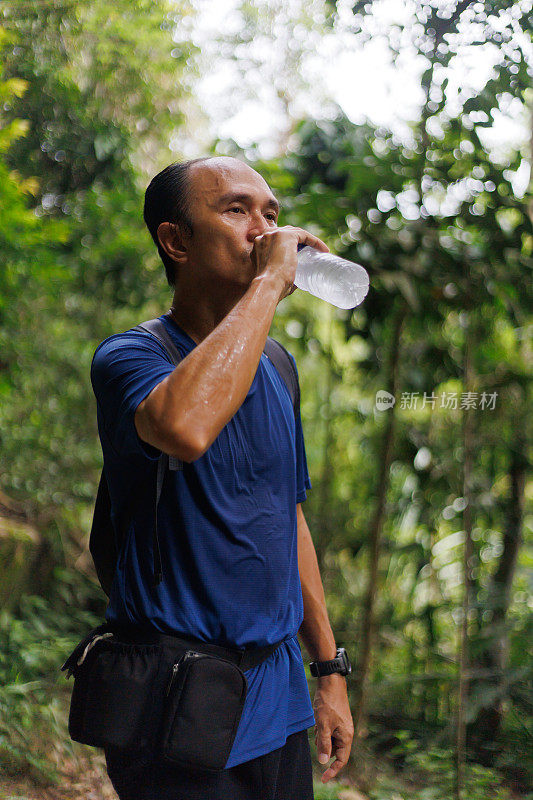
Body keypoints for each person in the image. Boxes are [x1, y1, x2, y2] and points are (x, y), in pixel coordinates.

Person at [90, 156, 354, 800]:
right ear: (175, 241)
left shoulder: (278, 368)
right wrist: (267, 286)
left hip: (280, 696)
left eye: (271, 214)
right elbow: (182, 426)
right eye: (237, 210)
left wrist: (329, 670)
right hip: (175, 697)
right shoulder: (131, 357)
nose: (263, 231)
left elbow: (286, 518)